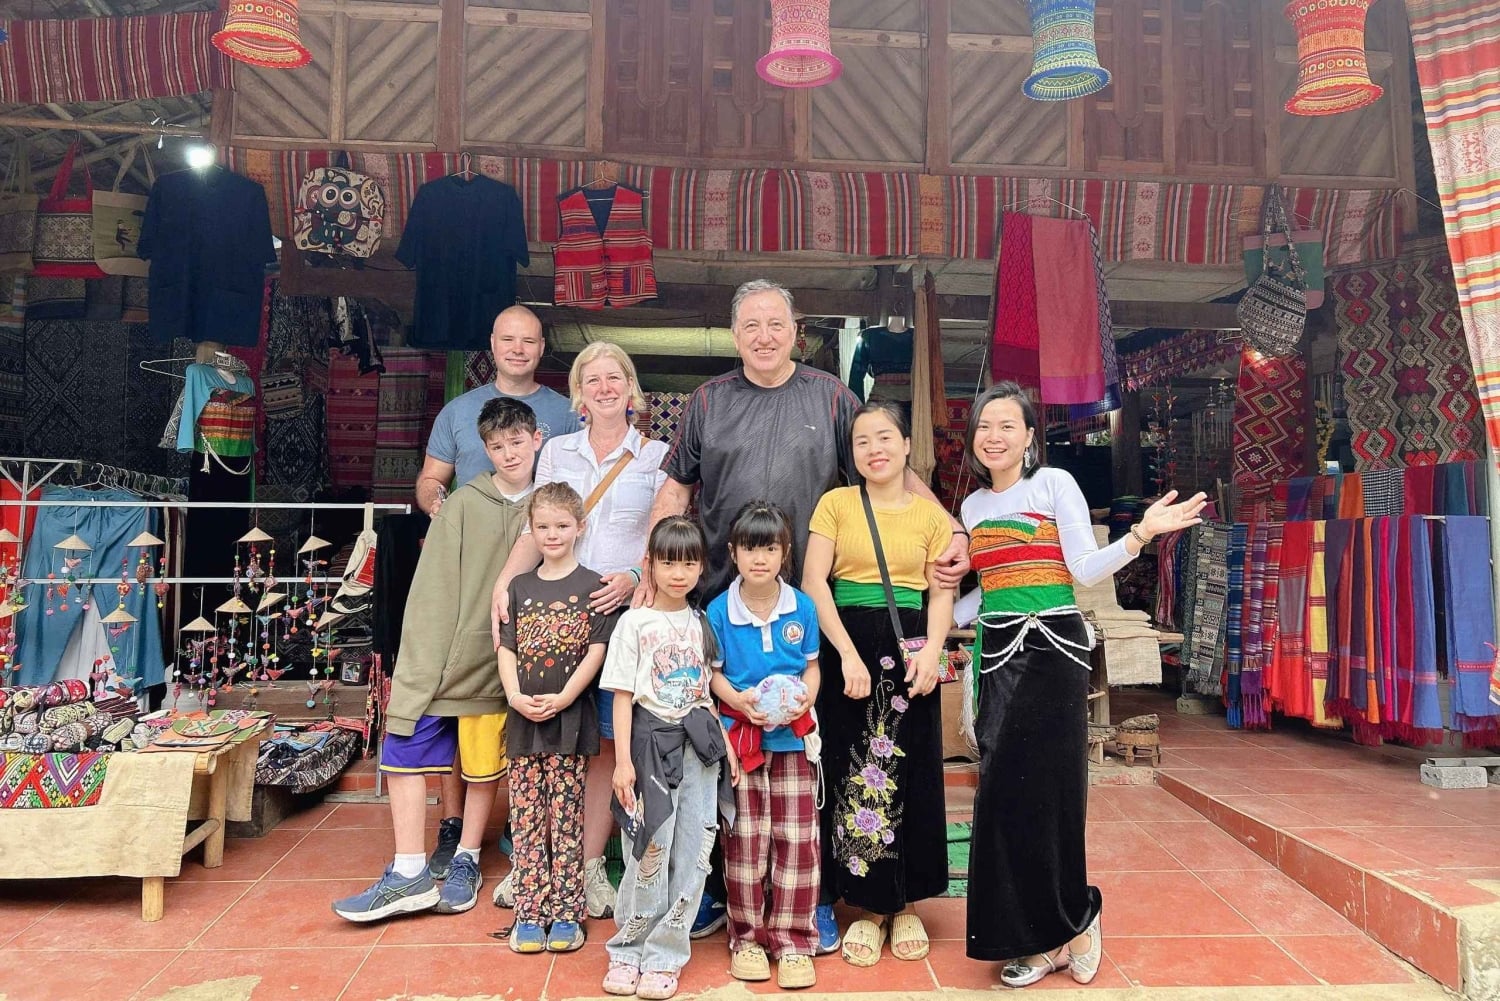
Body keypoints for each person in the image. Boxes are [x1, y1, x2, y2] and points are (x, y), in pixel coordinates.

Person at [645, 278, 971, 944]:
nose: (764, 336)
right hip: (724, 606)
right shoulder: (708, 401)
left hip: (813, 612)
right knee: (724, 747)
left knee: (812, 754)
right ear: (736, 336)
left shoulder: (832, 398)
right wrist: (651, 580)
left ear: (796, 329)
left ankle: (815, 891)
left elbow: (889, 468)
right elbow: (675, 489)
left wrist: (954, 533)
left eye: (775, 323)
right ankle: (715, 887)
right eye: (750, 326)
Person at [954, 382, 1205, 987]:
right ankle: (1032, 938)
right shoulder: (972, 509)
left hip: (1054, 654)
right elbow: (988, 592)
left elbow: (1082, 568)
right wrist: (926, 619)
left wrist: (1141, 534)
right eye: (985, 426)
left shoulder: (1054, 486)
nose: (994, 436)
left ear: (1029, 436)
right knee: (1002, 798)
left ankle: (1078, 920)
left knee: (1055, 795)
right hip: (998, 657)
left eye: (1007, 425)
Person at [331, 397, 540, 923]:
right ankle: (408, 871)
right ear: (484, 450)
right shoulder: (466, 502)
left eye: (518, 441)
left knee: (482, 764)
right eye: (498, 445)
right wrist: (418, 664)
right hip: (446, 655)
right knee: (401, 747)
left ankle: (467, 856)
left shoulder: (552, 505)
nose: (509, 453)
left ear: (538, 439)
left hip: (502, 664)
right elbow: (431, 591)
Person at [489, 341, 668, 917]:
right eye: (592, 379)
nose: (604, 387)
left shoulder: (657, 455)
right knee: (549, 737)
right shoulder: (558, 452)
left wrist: (636, 574)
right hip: (555, 609)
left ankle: (588, 865)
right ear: (578, 392)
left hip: (624, 607)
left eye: (615, 377)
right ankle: (537, 864)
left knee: (604, 742)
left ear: (632, 387)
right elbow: (534, 528)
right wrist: (504, 584)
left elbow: (665, 532)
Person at [417, 304, 577, 878]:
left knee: (528, 694)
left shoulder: (564, 412)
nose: (517, 349)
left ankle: (524, 820)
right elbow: (431, 479)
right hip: (471, 563)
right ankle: (455, 823)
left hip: (544, 565)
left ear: (541, 347)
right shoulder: (459, 411)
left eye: (529, 341)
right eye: (507, 339)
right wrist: (443, 510)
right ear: (492, 341)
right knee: (463, 694)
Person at [801, 401, 955, 967]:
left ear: (906, 445)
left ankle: (907, 902)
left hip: (912, 648)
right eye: (862, 441)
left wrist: (935, 652)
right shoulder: (836, 505)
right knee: (854, 772)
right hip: (849, 647)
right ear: (852, 453)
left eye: (885, 437)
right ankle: (867, 906)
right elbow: (814, 581)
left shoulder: (933, 516)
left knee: (911, 772)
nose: (875, 449)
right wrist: (844, 654)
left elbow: (942, 592)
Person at [599, 517, 740, 1001]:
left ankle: (666, 955)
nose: (678, 573)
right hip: (648, 751)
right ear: (651, 566)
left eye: (688, 562)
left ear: (701, 567)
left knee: (694, 854)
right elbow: (621, 697)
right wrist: (622, 762)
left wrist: (727, 748)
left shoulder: (701, 622)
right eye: (667, 562)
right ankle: (628, 949)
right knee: (646, 850)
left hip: (700, 751)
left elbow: (706, 694)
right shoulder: (633, 624)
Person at [707, 502, 823, 991]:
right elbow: (711, 675)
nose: (760, 559)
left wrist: (805, 700)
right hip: (743, 741)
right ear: (733, 553)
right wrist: (739, 701)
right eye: (751, 549)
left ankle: (794, 941)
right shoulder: (718, 611)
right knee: (746, 840)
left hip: (794, 741)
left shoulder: (803, 607)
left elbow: (812, 667)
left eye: (770, 548)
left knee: (798, 839)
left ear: (785, 552)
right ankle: (748, 938)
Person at [497, 482, 610, 954]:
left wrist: (564, 696)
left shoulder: (594, 586)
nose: (552, 534)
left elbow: (597, 650)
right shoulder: (518, 588)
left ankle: (567, 912)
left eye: (562, 525)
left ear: (579, 528)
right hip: (524, 717)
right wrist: (515, 695)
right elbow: (506, 648)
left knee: (566, 817)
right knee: (526, 817)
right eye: (542, 526)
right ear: (531, 530)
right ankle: (529, 910)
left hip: (569, 718)